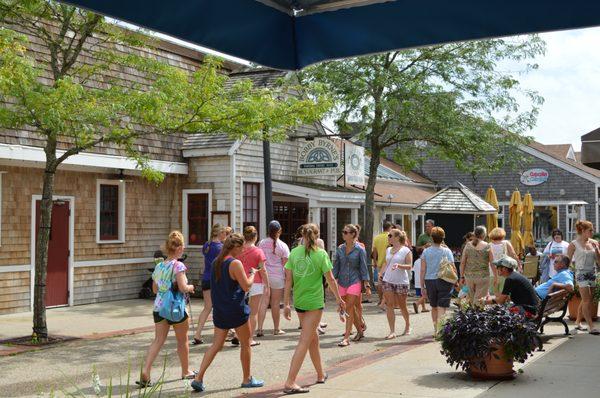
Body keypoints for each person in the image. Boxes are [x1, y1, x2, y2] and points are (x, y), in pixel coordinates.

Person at [191, 233, 264, 392]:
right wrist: (253, 274)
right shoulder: (235, 263)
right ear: (236, 247)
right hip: (236, 309)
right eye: (242, 248)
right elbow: (246, 286)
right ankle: (247, 379)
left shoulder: (217, 261)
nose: (243, 251)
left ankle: (199, 377)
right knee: (246, 344)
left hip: (220, 310)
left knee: (216, 345)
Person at [282, 224, 346, 394]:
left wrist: (286, 303)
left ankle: (320, 373)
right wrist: (339, 299)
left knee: (313, 338)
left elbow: (288, 280)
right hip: (314, 303)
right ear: (317, 237)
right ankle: (290, 381)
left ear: (302, 235)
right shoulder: (321, 254)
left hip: (300, 301)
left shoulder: (294, 252)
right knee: (305, 339)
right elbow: (331, 279)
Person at [138, 231, 196, 387]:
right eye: (182, 246)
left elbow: (155, 290)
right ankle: (185, 371)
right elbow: (183, 287)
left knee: (158, 340)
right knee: (182, 340)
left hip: (159, 307)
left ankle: (146, 370)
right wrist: (191, 287)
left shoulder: (159, 267)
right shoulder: (178, 266)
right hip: (176, 308)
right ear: (179, 248)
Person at [333, 224, 370, 346]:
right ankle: (360, 329)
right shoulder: (340, 249)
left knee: (348, 308)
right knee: (349, 308)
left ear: (353, 234)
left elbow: (364, 267)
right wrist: (332, 282)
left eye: (346, 232)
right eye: (343, 232)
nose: (343, 234)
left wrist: (367, 285)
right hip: (342, 281)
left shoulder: (360, 249)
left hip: (355, 281)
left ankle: (346, 338)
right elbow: (336, 265)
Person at [193, 224, 227, 345]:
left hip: (206, 279)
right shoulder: (221, 248)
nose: (226, 236)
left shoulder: (206, 245)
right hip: (216, 279)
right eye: (225, 233)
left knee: (207, 308)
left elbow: (205, 263)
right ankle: (226, 332)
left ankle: (197, 334)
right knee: (220, 306)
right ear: (220, 233)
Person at [567, 220, 600, 335]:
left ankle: (577, 321)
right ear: (583, 231)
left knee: (588, 300)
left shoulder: (594, 242)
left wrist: (597, 250)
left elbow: (599, 262)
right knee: (586, 299)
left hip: (592, 272)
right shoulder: (573, 244)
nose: (592, 232)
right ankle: (591, 326)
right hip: (581, 273)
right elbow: (568, 261)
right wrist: (569, 273)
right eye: (590, 230)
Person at [257, 220, 290, 336]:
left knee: (263, 303)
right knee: (275, 303)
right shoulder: (283, 246)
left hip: (264, 276)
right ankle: (276, 329)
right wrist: (288, 279)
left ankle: (259, 329)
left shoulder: (261, 243)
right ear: (280, 230)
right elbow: (286, 265)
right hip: (278, 277)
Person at [420, 226, 455, 334]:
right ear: (443, 238)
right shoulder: (447, 251)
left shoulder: (426, 252)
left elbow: (422, 270)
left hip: (430, 281)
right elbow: (452, 267)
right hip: (444, 280)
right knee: (442, 307)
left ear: (431, 238)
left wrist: (422, 286)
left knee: (434, 307)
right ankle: (440, 330)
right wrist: (456, 280)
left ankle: (436, 329)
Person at [238, 226, 269, 347]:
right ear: (255, 237)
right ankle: (249, 339)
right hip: (256, 282)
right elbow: (263, 270)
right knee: (253, 313)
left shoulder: (239, 250)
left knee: (241, 311)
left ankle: (239, 336)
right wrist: (267, 284)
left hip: (241, 281)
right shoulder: (258, 251)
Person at [379, 229, 412, 338]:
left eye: (390, 235)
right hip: (388, 280)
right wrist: (381, 273)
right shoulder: (388, 250)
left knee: (402, 306)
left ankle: (407, 325)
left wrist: (399, 265)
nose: (388, 237)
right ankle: (392, 331)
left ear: (397, 238)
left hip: (401, 282)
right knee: (389, 305)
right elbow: (386, 263)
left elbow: (409, 266)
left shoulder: (406, 250)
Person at [460, 226, 494, 303]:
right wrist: (495, 276)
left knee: (470, 299)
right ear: (484, 235)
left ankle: (470, 313)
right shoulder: (487, 245)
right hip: (483, 277)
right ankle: (477, 313)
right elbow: (492, 263)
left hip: (469, 277)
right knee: (480, 300)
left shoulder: (468, 245)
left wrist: (461, 277)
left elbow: (462, 262)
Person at [488, 227, 521, 293]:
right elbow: (513, 255)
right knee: (505, 292)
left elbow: (490, 261)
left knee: (493, 293)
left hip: (492, 272)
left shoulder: (489, 245)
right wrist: (519, 264)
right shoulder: (506, 243)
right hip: (505, 271)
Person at [372, 221, 393, 308]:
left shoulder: (377, 238)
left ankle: (381, 299)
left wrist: (375, 262)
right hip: (389, 263)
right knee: (388, 283)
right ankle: (387, 300)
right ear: (390, 228)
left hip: (380, 263)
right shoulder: (391, 237)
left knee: (380, 283)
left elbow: (374, 251)